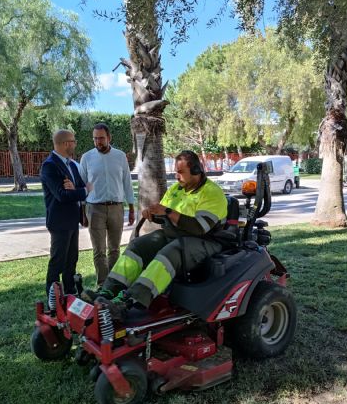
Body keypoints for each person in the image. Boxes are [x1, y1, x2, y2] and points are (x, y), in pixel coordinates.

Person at [83, 150, 228, 321]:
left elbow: (199, 227)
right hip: (176, 235)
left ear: (196, 171)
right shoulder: (176, 189)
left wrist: (167, 211)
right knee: (138, 246)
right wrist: (153, 214)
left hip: (205, 240)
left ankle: (129, 301)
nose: (177, 175)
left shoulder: (211, 193)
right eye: (176, 171)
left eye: (181, 172)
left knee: (169, 254)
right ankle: (108, 291)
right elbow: (165, 215)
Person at [79, 123, 135, 286]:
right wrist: (82, 212)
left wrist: (131, 207)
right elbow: (82, 186)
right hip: (94, 209)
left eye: (101, 138)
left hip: (117, 208)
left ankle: (114, 283)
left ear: (109, 138)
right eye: (95, 139)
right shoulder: (87, 158)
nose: (98, 142)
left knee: (115, 249)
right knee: (99, 251)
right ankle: (103, 285)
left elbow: (127, 182)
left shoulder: (120, 156)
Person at [40, 129, 90, 296]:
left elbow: (79, 186)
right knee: (58, 261)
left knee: (71, 260)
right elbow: (62, 195)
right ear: (65, 144)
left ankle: (70, 293)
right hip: (59, 222)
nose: (75, 144)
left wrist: (76, 190)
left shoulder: (71, 165)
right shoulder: (50, 166)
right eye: (73, 141)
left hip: (72, 220)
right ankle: (53, 297)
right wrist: (83, 191)